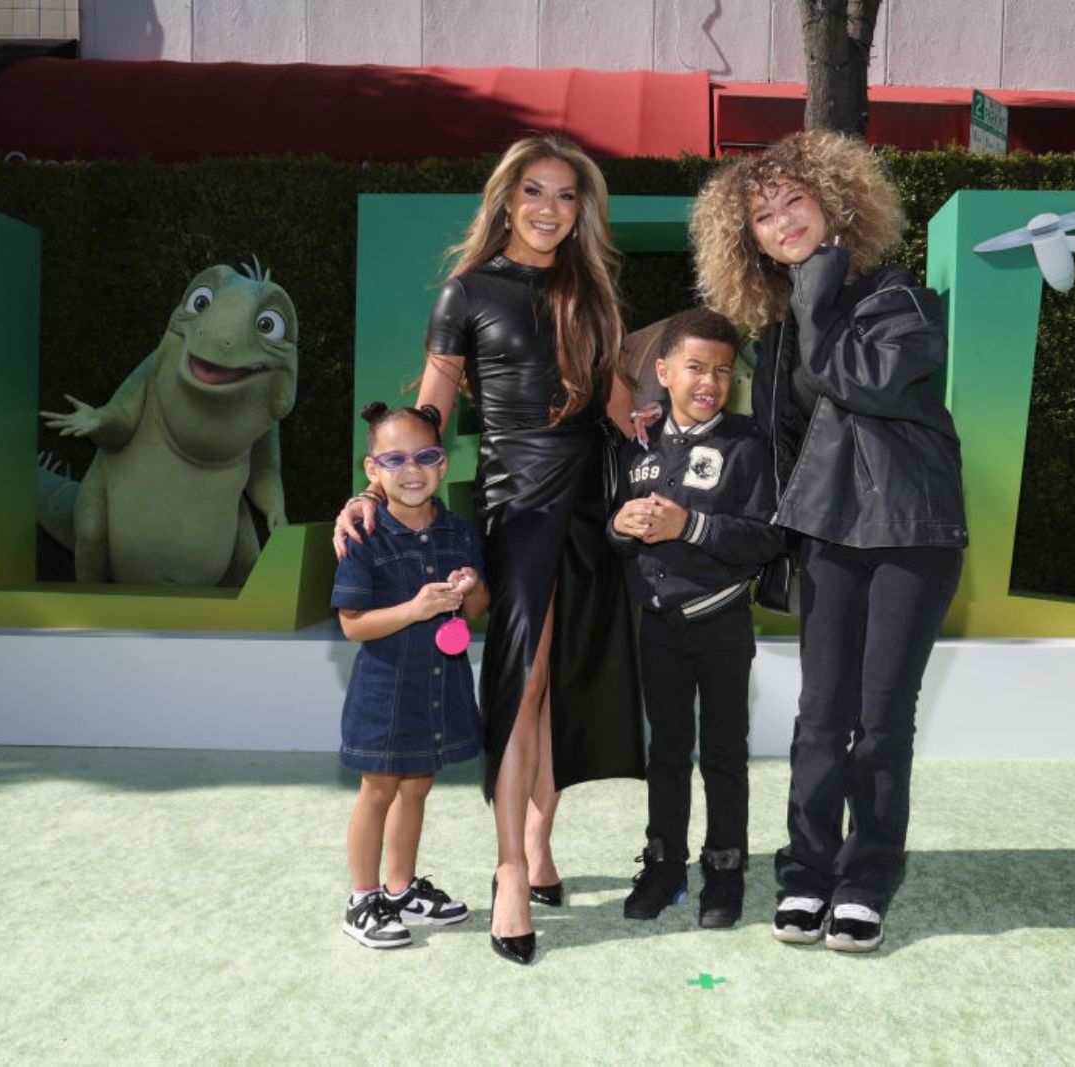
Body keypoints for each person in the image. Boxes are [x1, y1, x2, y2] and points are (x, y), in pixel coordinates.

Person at [334, 136, 644, 966]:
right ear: (507, 199)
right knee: (523, 678)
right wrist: (371, 489)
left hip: (593, 503)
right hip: (520, 504)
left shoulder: (593, 289)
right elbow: (428, 412)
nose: (550, 208)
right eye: (534, 191)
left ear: (583, 208)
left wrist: (666, 435)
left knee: (563, 682)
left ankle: (541, 839)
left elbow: (620, 404)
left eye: (567, 195)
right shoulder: (466, 291)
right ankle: (510, 867)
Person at [690, 130, 968, 953]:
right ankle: (807, 871)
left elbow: (865, 381)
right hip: (830, 537)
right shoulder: (779, 336)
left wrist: (813, 292)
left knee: (881, 718)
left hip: (912, 532)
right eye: (764, 218)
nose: (782, 224)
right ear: (749, 241)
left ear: (836, 204)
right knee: (820, 713)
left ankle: (867, 876)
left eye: (795, 203)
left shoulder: (901, 300)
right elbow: (783, 442)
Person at [606, 307, 784, 929]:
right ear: (663, 371)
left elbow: (766, 539)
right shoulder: (638, 442)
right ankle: (663, 864)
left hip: (722, 623)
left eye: (722, 371)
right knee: (668, 752)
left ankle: (726, 870)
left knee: (725, 753)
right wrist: (619, 527)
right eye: (694, 368)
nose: (709, 382)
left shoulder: (747, 443)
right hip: (657, 626)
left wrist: (691, 525)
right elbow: (615, 528)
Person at [333, 402, 489, 949]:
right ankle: (362, 899)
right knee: (378, 790)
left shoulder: (460, 532)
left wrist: (471, 587)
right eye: (394, 459)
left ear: (443, 465)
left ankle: (399, 889)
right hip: (385, 692)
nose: (411, 469)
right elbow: (353, 626)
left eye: (425, 456)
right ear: (372, 470)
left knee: (418, 785)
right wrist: (415, 610)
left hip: (439, 687)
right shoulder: (364, 535)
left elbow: (477, 612)